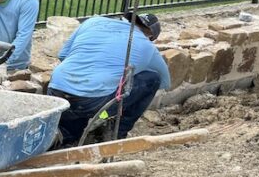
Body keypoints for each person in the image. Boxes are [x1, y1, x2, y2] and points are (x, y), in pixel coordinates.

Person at [47, 12, 171, 147]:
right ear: (150, 34)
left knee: (72, 128)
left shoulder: (92, 22)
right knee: (152, 79)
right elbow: (165, 81)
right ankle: (116, 132)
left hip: (56, 90)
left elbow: (63, 55)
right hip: (93, 104)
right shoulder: (147, 46)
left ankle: (65, 137)